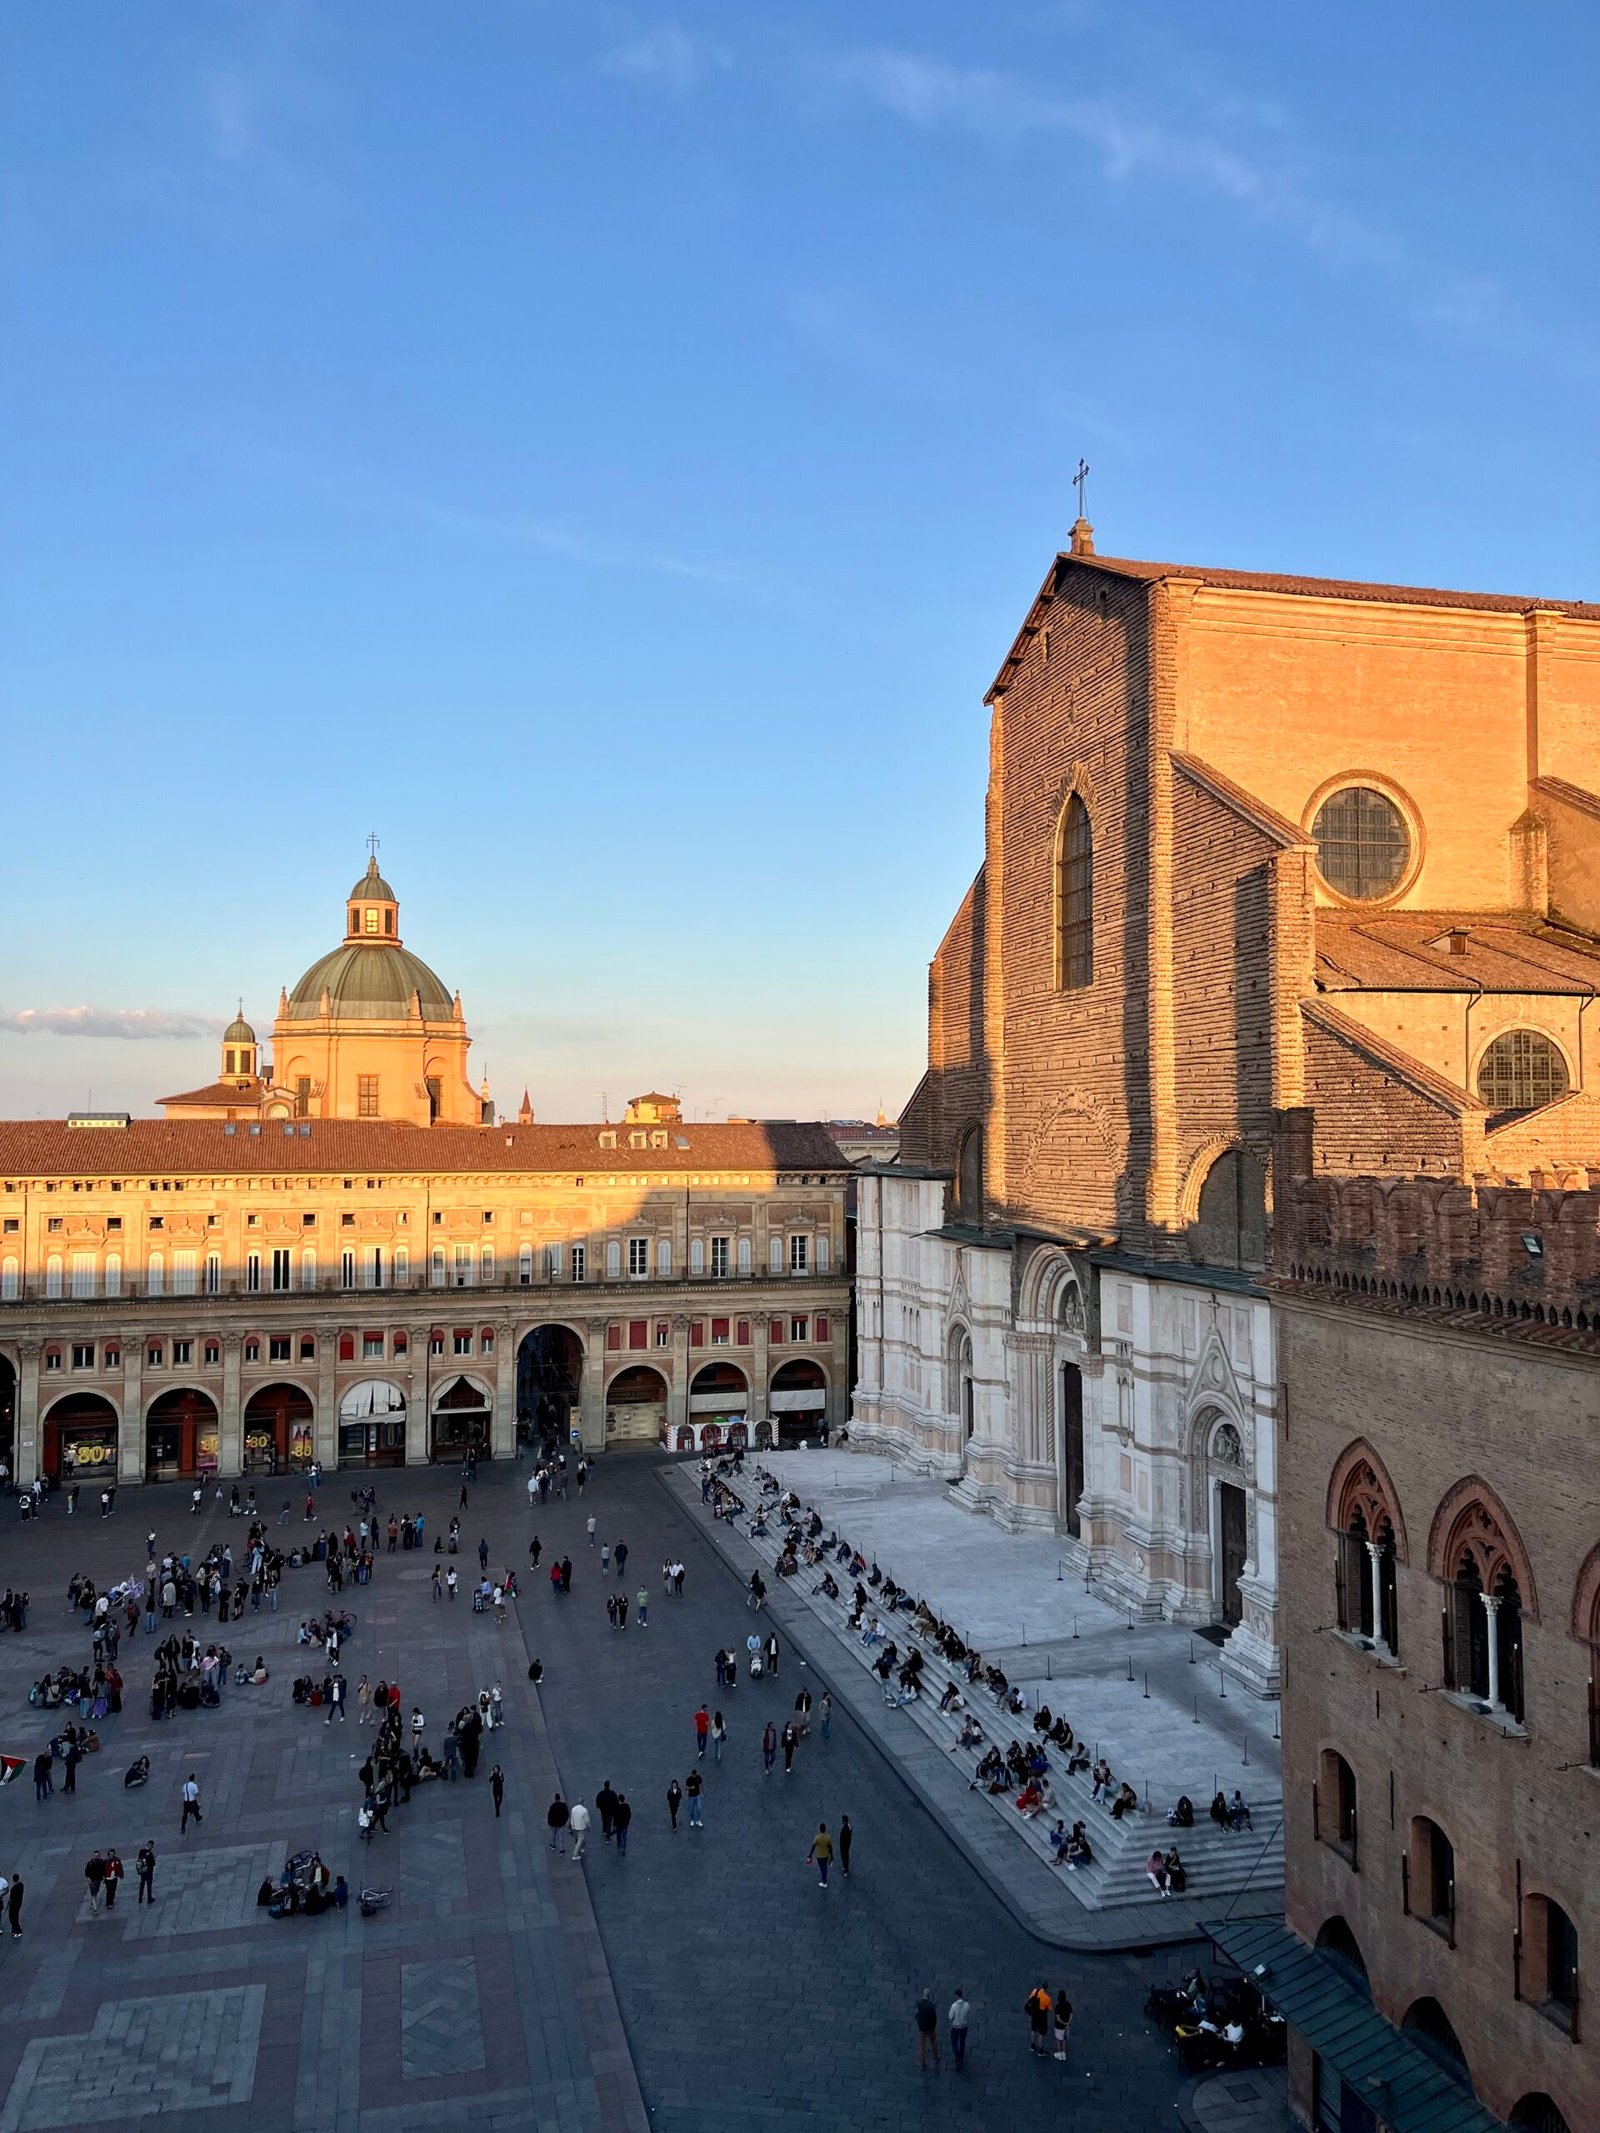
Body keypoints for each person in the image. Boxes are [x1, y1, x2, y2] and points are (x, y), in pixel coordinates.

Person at [914, 1986, 940, 2070]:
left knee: (922, 2044)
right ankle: (936, 2057)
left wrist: (918, 2020)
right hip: (930, 2028)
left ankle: (922, 2062)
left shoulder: (919, 2003)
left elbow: (917, 2014)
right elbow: (934, 2017)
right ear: (930, 1996)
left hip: (922, 2027)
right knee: (933, 2042)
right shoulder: (932, 2006)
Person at [1025, 1983, 1053, 2054]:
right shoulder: (1047, 1998)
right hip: (1042, 2016)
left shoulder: (1035, 1991)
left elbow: (1030, 1998)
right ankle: (1040, 2049)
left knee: (1033, 2029)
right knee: (1041, 2032)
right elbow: (1050, 2010)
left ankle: (1032, 2045)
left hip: (1034, 2013)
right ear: (1046, 1989)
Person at [948, 1987, 970, 2072]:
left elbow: (950, 2017)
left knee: (954, 2042)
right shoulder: (967, 2005)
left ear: (956, 1995)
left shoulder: (953, 2006)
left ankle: (957, 2056)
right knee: (962, 2041)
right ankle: (961, 2056)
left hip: (956, 2027)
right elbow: (968, 2013)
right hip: (964, 2027)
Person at [808, 1820, 833, 1887]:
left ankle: (824, 1882)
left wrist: (810, 1854)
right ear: (825, 1829)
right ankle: (824, 1880)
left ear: (819, 1829)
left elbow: (813, 1846)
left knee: (822, 1868)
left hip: (819, 1855)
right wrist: (832, 1856)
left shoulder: (817, 1837)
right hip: (826, 1855)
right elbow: (830, 1847)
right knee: (824, 1867)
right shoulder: (828, 1837)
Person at [1052, 1990, 1073, 2061]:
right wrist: (1068, 2023)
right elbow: (1071, 2014)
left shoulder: (1058, 2007)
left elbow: (1058, 2019)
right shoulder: (1068, 2004)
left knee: (1058, 2040)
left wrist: (1064, 2023)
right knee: (1064, 2040)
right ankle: (1064, 2054)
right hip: (1066, 2027)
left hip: (1059, 2027)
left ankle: (1059, 2054)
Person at [613, 1792, 631, 1856]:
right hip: (625, 1823)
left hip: (618, 1824)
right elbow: (629, 1815)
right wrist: (627, 1821)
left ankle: (619, 1844)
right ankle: (623, 1848)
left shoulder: (617, 1807)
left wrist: (614, 1825)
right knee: (624, 1835)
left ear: (619, 1800)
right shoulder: (627, 1806)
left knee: (618, 1834)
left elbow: (615, 1816)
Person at [6, 1872, 22, 1939]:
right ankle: (15, 1930)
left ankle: (18, 1931)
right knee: (15, 1917)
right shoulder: (21, 1885)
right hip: (18, 1904)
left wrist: (7, 1906)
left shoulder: (13, 1889)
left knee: (13, 1918)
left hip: (13, 1905)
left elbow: (10, 1899)